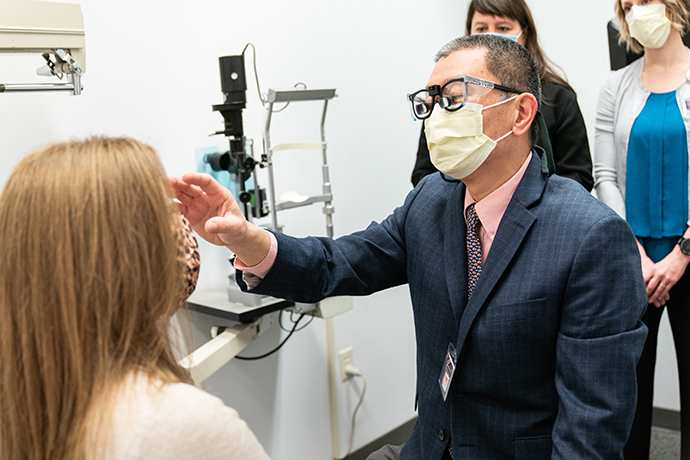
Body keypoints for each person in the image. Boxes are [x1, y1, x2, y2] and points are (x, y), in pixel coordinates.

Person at [173, 35, 647, 460]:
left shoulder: (590, 236)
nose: (438, 117)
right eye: (431, 102)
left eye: (455, 99)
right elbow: (340, 264)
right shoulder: (432, 201)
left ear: (521, 113)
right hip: (432, 444)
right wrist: (248, 238)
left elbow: (592, 428)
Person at [0, 138, 270, 460]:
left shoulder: (19, 410)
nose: (181, 230)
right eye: (163, 214)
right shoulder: (181, 424)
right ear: (128, 259)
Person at [594, 0, 690, 458]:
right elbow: (604, 177)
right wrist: (636, 253)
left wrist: (682, 253)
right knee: (627, 394)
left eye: (644, 0)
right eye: (627, 5)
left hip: (688, 255)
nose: (636, 11)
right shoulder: (616, 85)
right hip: (632, 263)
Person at [411, 0, 593, 192]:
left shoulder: (558, 98)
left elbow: (578, 176)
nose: (490, 35)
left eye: (503, 27)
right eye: (481, 28)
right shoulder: (445, 97)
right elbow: (424, 172)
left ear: (525, 34)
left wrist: (512, 205)